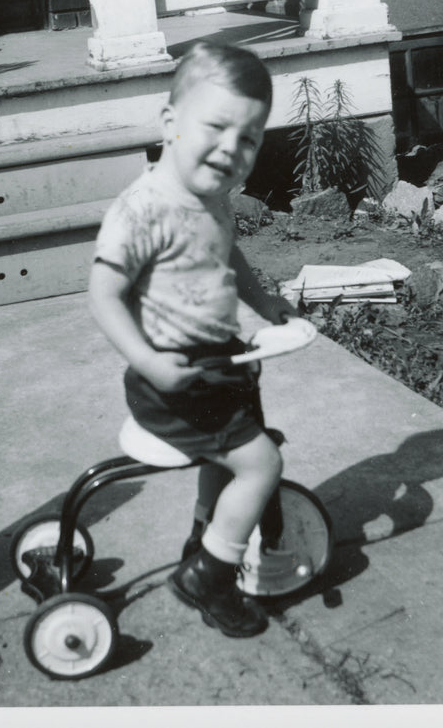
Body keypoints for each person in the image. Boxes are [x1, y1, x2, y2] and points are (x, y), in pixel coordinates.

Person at [88, 42, 298, 638]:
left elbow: (227, 253)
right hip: (171, 380)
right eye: (216, 126)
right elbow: (103, 295)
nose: (232, 148)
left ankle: (201, 539)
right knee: (261, 464)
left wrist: (265, 303)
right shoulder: (142, 210)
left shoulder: (214, 198)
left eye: (250, 137)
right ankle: (209, 574)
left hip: (215, 366)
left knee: (233, 456)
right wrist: (149, 362)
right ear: (170, 123)